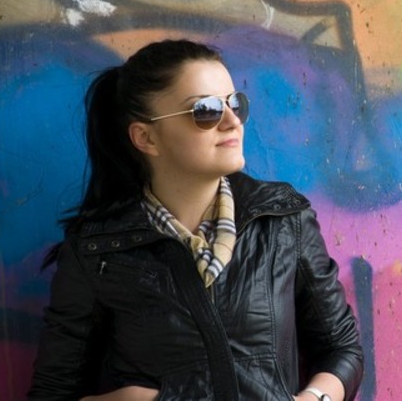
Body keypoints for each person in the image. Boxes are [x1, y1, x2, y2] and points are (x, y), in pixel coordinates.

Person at [28, 39, 363, 401]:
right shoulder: (97, 251)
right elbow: (51, 393)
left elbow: (342, 348)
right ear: (146, 137)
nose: (232, 122)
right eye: (206, 110)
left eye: (235, 104)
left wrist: (313, 399)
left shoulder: (282, 219)